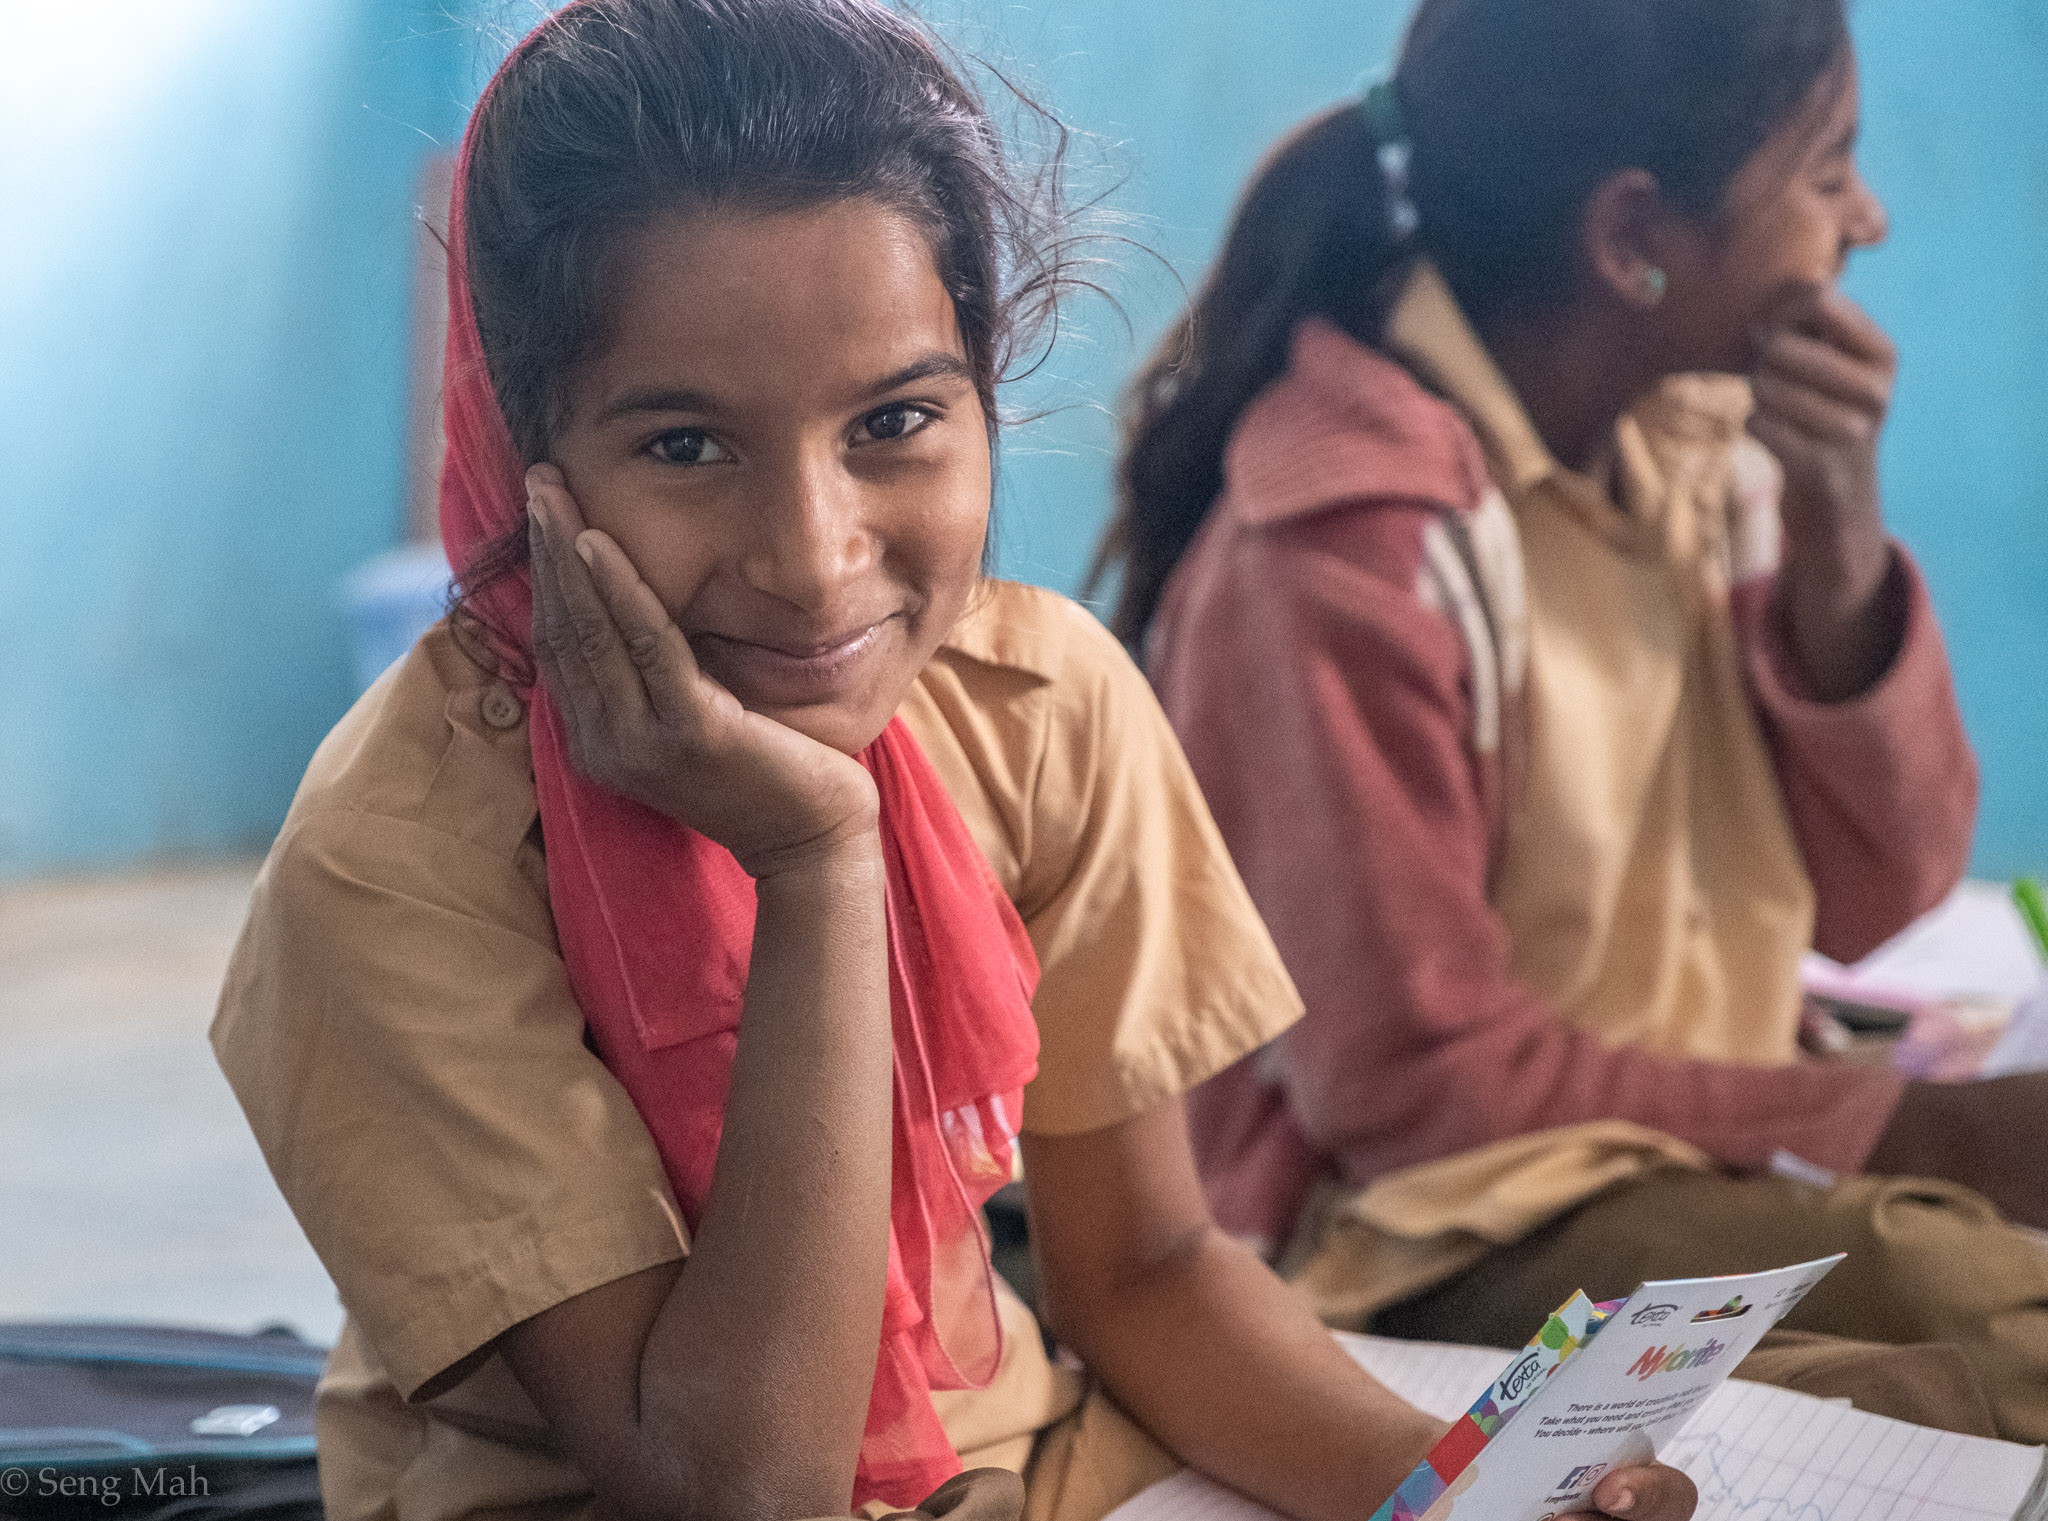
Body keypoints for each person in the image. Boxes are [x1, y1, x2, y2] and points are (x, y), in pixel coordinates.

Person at [208, 4, 1702, 1520]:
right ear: (526, 455)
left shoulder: (1035, 705)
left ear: (987, 403)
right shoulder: (393, 860)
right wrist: (817, 859)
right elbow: (736, 1489)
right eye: (681, 447)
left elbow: (1149, 1268)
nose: (812, 557)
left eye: (896, 422)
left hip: (1020, 1469)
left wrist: (1465, 1493)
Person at [1102, 0, 2048, 1445]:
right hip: (1420, 1229)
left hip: (1679, 1149)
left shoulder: (1699, 444)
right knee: (1998, 1335)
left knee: (1990, 1290)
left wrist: (1838, 538)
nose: (1870, 215)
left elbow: (1883, 892)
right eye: (1826, 169)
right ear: (1631, 242)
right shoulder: (1343, 549)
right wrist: (1896, 1129)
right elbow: (1413, 1098)